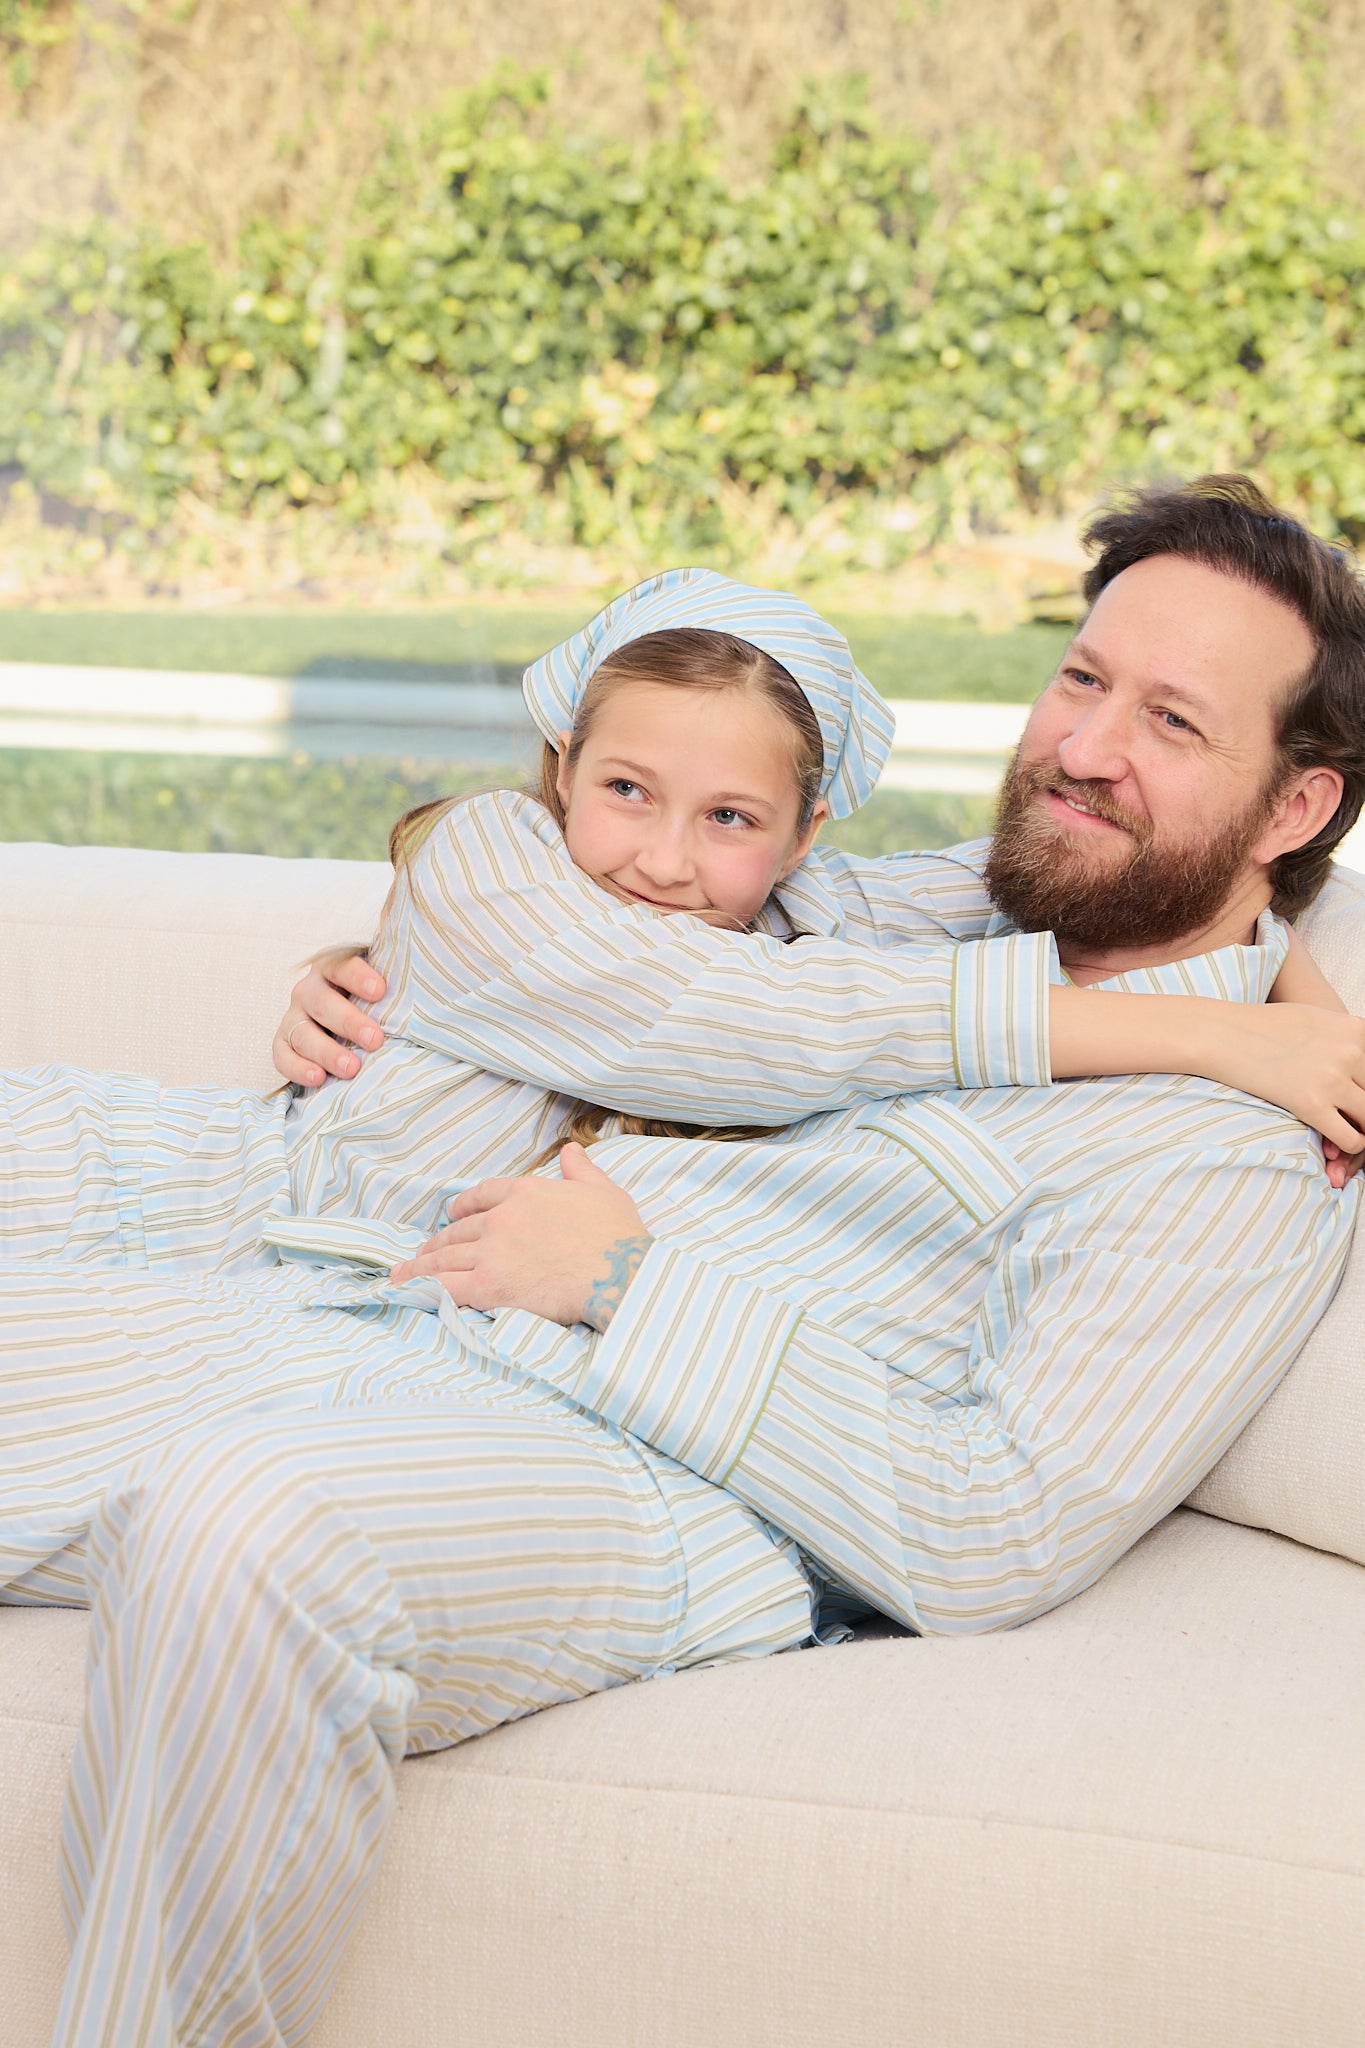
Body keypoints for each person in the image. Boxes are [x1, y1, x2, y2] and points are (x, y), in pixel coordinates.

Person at [7, 485, 1365, 2047]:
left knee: (251, 1528)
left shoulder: (1235, 1146)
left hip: (669, 1471)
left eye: (1172, 722)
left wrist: (628, 1286)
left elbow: (993, 1526)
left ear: (1289, 809)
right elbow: (647, 948)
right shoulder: (937, 914)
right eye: (1080, 680)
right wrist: (377, 972)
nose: (1081, 747)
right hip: (403, 1312)